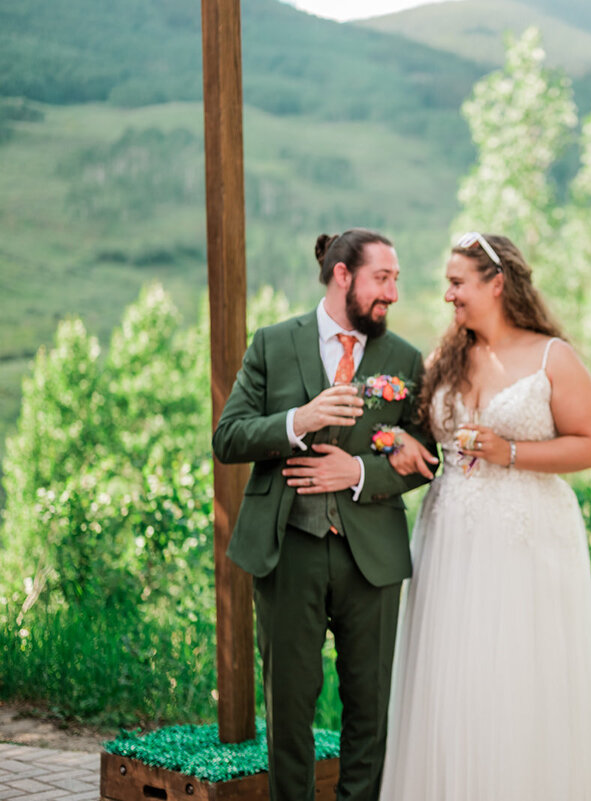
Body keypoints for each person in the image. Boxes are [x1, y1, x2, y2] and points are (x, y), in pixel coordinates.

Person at [377, 232, 591, 801]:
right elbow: (420, 437)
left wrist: (508, 453)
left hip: (528, 539)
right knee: (452, 680)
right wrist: (397, 446)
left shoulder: (550, 357)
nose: (448, 296)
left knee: (518, 677)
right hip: (449, 537)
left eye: (458, 283)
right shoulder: (444, 360)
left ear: (497, 283)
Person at [212, 228, 439, 801]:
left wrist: (359, 473)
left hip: (374, 557)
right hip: (288, 548)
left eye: (395, 280)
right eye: (382, 279)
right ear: (344, 275)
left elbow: (423, 459)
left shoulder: (405, 359)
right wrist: (299, 420)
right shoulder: (272, 343)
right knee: (289, 704)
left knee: (370, 707)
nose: (392, 293)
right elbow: (229, 437)